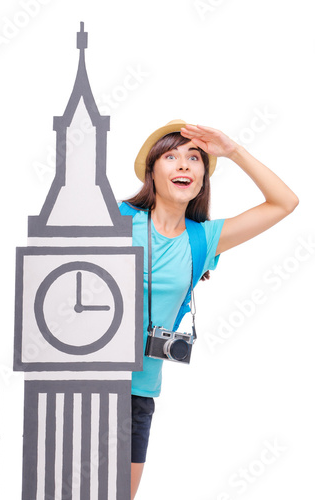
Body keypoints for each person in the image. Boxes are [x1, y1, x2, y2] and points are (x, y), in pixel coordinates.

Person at [119, 119, 299, 500]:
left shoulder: (205, 239)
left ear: (203, 177)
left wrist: (233, 150)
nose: (184, 165)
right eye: (171, 156)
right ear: (153, 171)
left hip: (138, 395)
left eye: (194, 158)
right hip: (83, 379)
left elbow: (285, 203)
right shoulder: (116, 219)